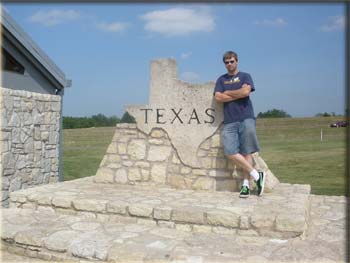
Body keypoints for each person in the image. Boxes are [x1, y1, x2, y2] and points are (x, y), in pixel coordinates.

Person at [214, 51, 265, 198]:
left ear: (236, 61)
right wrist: (237, 92)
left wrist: (228, 92)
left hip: (246, 117)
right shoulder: (221, 79)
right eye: (227, 62)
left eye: (231, 61)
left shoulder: (245, 76)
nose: (229, 64)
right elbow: (218, 97)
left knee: (246, 151)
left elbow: (246, 92)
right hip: (229, 120)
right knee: (230, 151)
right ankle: (257, 175)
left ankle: (246, 186)